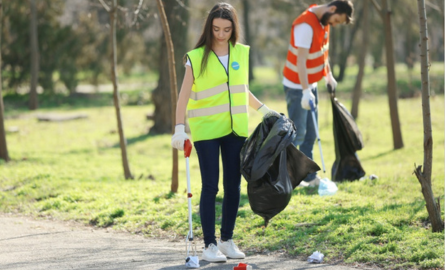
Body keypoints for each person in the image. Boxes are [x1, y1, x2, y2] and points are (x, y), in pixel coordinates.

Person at [171, 2, 274, 263]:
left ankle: (227, 240)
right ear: (209, 28)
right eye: (216, 29)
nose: (220, 34)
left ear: (233, 29)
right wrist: (179, 128)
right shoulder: (195, 57)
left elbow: (242, 90)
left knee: (233, 185)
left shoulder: (241, 53)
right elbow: (183, 97)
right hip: (206, 130)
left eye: (226, 29)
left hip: (235, 128)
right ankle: (209, 246)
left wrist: (264, 111)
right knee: (210, 186)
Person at [282, 0, 354, 187]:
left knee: (311, 134)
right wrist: (306, 91)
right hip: (297, 86)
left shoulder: (324, 22)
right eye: (337, 20)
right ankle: (285, 177)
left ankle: (308, 177)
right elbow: (301, 62)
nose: (335, 24)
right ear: (332, 9)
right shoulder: (305, 25)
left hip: (308, 85)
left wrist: (328, 76)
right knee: (298, 134)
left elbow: (322, 53)